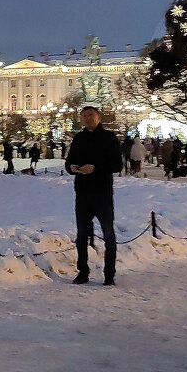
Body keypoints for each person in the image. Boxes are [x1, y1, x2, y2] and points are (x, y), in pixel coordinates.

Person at [65, 106, 124, 285]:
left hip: (102, 193)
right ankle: (83, 271)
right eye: (84, 116)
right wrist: (72, 168)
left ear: (98, 117)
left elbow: (117, 165)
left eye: (91, 115)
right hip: (82, 193)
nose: (87, 118)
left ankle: (109, 274)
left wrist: (96, 168)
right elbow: (69, 162)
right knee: (82, 234)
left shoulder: (109, 138)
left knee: (108, 234)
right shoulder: (79, 138)